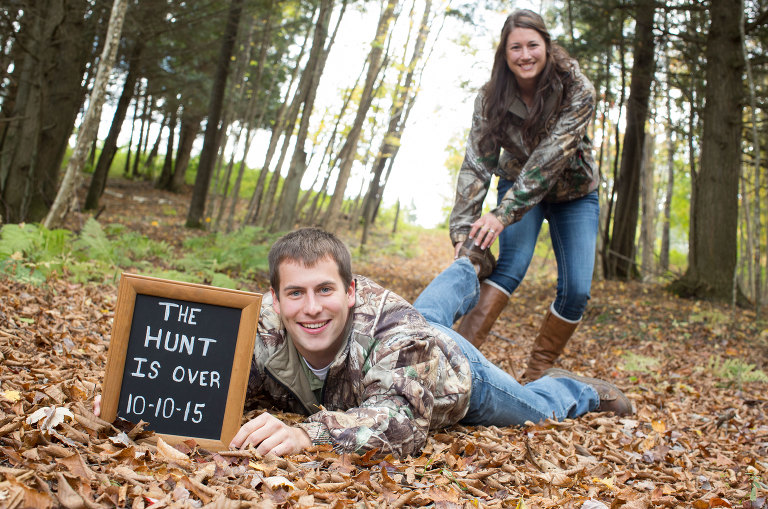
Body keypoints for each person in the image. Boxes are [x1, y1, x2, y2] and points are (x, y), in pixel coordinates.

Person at [94, 228, 630, 458]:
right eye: (296, 293)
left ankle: (576, 390)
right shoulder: (260, 327)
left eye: (325, 290)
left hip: (446, 370)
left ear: (350, 291)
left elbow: (400, 423)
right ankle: (468, 264)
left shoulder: (402, 335)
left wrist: (309, 435)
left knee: (534, 408)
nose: (311, 308)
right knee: (429, 310)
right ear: (275, 299)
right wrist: (134, 395)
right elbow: (202, 374)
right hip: (400, 337)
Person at [449, 9, 601, 382]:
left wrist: (502, 213)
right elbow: (476, 164)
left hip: (574, 195)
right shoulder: (490, 98)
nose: (525, 55)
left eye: (533, 45)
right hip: (517, 190)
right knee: (510, 266)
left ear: (547, 47)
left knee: (577, 290)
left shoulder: (576, 88)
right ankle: (451, 365)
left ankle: (536, 375)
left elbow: (551, 157)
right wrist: (462, 232)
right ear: (504, 53)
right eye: (515, 47)